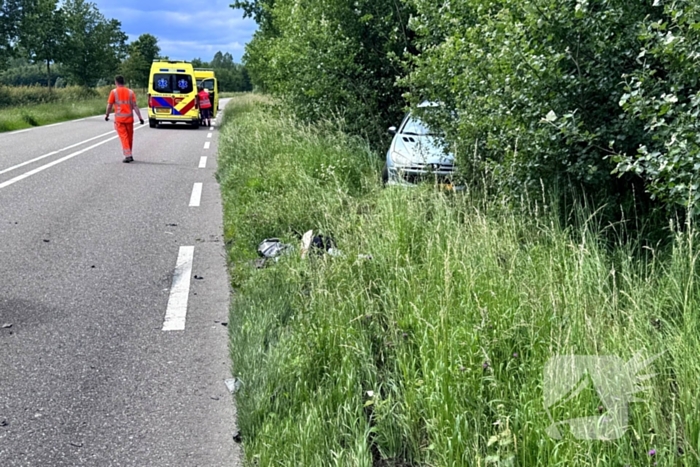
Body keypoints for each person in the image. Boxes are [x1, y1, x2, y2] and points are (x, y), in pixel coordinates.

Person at [105, 75, 144, 163]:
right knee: (129, 137)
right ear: (124, 82)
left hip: (120, 120)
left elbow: (109, 105)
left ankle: (128, 156)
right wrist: (140, 117)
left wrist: (107, 115)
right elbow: (135, 106)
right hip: (129, 119)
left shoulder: (114, 92)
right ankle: (130, 154)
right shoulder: (130, 92)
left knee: (124, 137)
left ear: (116, 82)